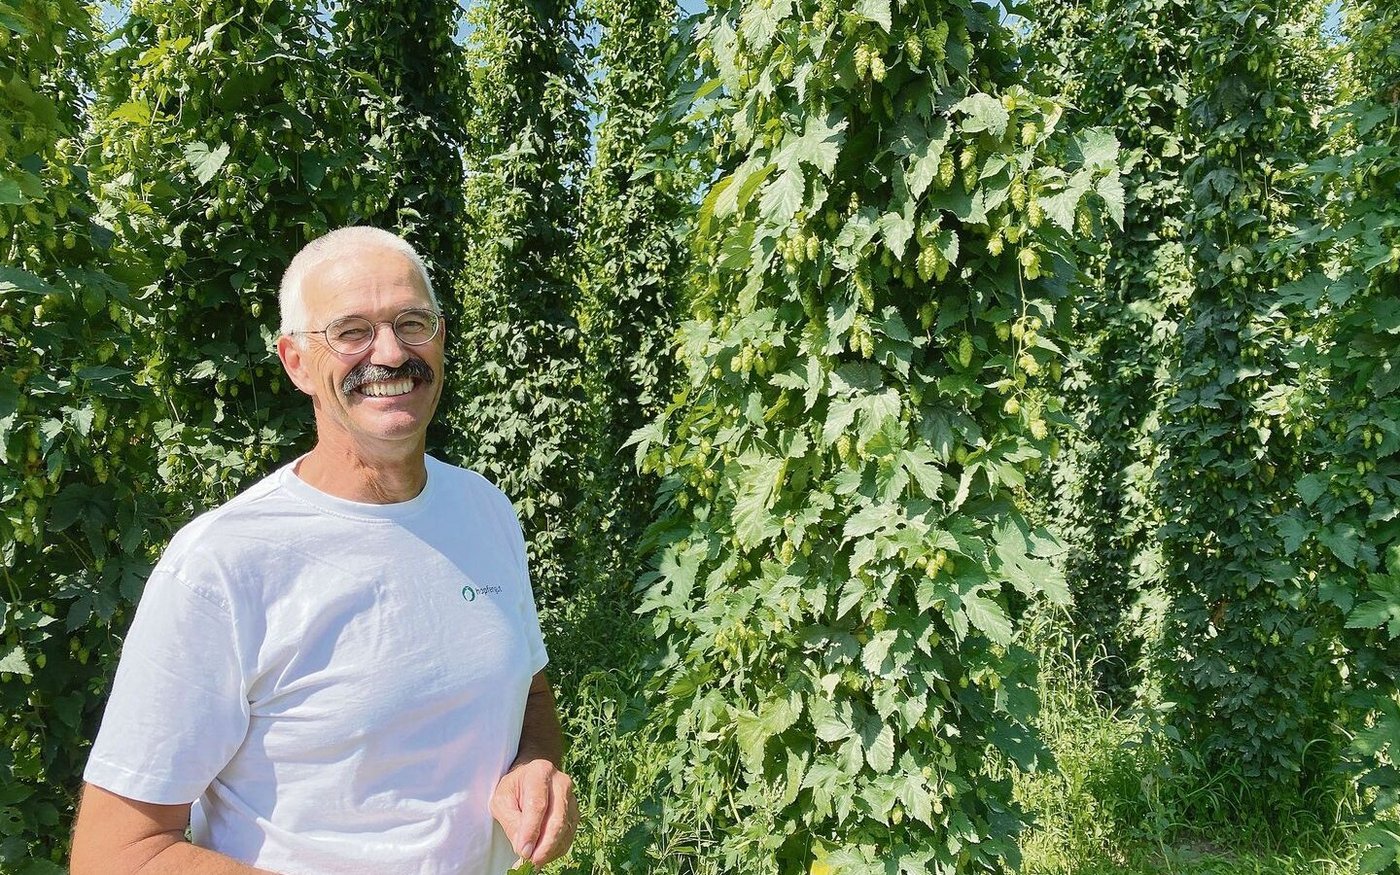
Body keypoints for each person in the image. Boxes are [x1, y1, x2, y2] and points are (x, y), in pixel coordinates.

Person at [70, 226, 578, 875]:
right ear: (296, 362)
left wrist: (535, 764)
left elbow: (527, 686)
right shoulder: (223, 563)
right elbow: (115, 855)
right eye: (351, 331)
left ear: (442, 338)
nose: (391, 353)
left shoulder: (485, 510)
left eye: (412, 322)